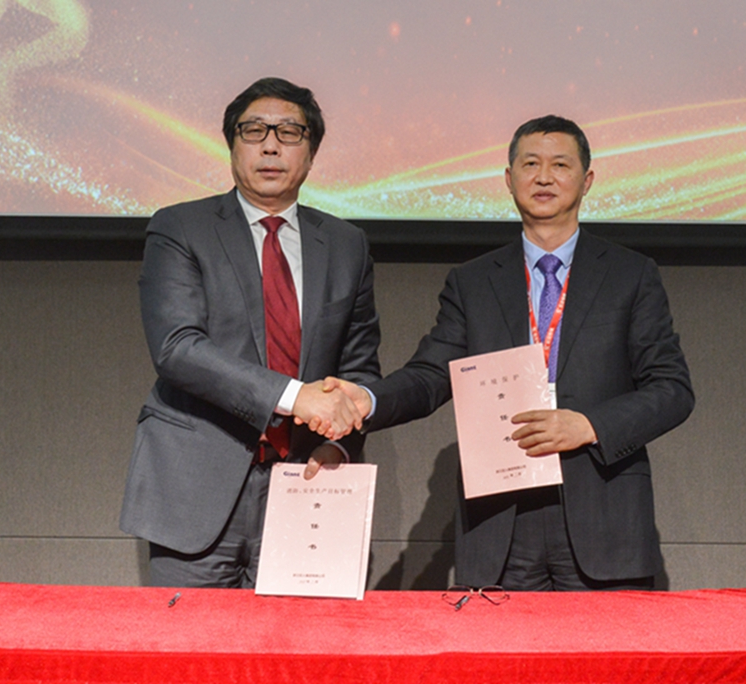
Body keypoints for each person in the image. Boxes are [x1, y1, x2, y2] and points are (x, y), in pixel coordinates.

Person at [327, 115, 693, 591]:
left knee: (600, 645)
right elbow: (429, 375)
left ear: (587, 180)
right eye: (530, 164)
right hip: (501, 518)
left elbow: (671, 390)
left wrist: (589, 425)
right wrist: (368, 400)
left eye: (560, 165)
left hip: (602, 513)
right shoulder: (474, 281)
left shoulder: (631, 274)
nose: (544, 177)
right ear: (508, 179)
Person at [120, 77, 381, 588]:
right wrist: (296, 396)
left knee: (296, 641)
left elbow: (359, 366)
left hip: (307, 485)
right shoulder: (180, 228)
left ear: (311, 153)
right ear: (232, 145)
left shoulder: (346, 244)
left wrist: (341, 444)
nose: (270, 145)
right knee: (192, 641)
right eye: (254, 130)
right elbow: (177, 348)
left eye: (289, 132)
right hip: (197, 487)